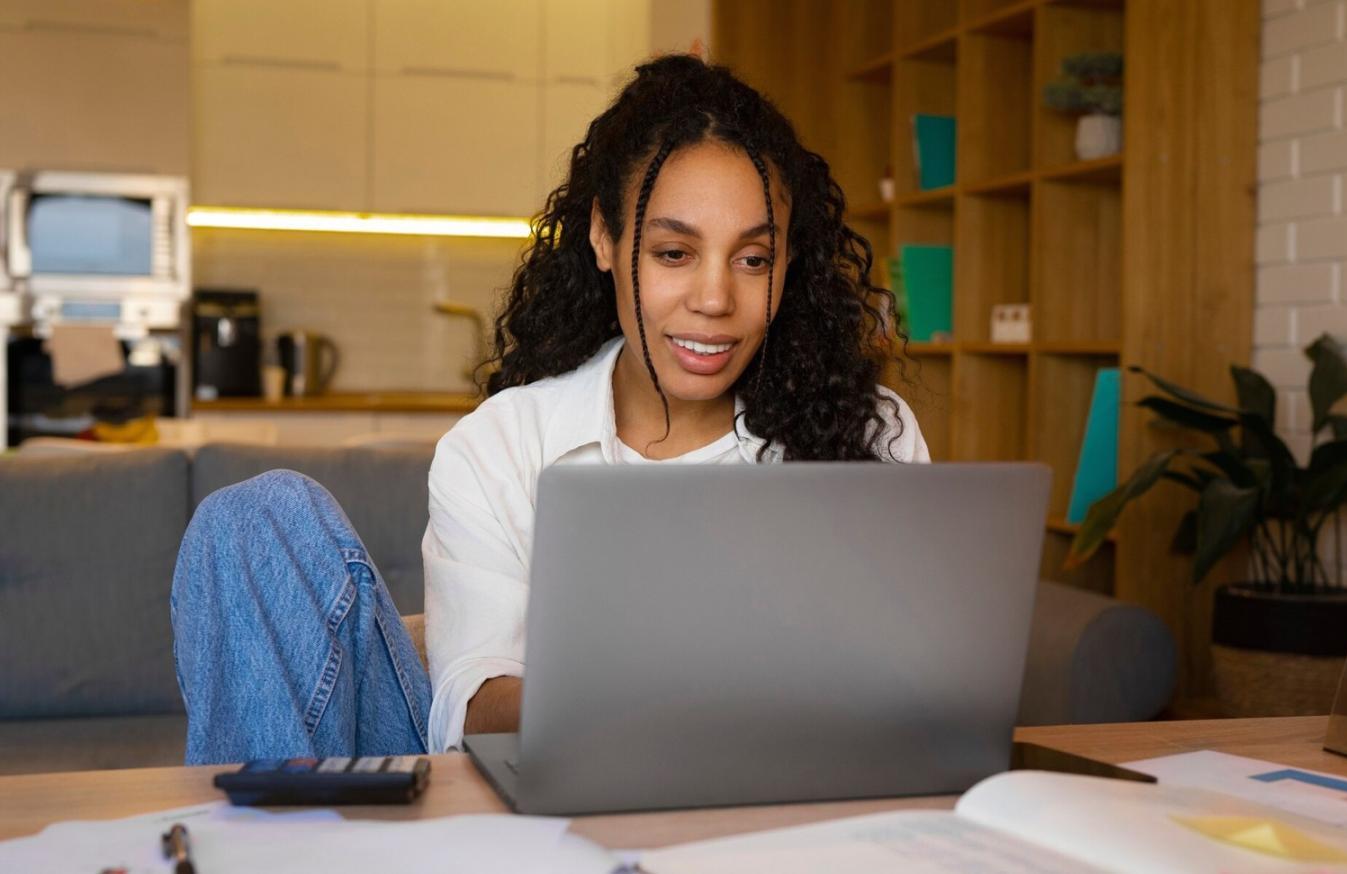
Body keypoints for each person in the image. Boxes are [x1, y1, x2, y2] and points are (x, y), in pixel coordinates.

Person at [171, 54, 928, 765]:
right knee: (254, 518)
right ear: (605, 236)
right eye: (673, 253)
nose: (714, 300)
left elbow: (905, 689)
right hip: (528, 778)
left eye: (753, 258)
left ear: (787, 263)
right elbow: (471, 707)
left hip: (783, 790)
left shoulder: (868, 434)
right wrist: (667, 705)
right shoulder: (502, 444)